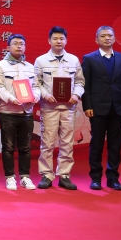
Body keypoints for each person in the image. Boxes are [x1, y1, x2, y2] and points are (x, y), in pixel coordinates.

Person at [82, 26, 121, 191]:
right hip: (97, 108)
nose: (107, 38)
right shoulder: (89, 58)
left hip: (118, 107)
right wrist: (87, 105)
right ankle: (95, 178)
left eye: (110, 35)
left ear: (114, 38)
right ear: (96, 39)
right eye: (103, 36)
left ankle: (113, 178)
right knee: (96, 144)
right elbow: (86, 85)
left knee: (115, 145)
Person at [34, 26, 85, 190]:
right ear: (49, 41)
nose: (58, 41)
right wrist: (45, 94)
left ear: (66, 41)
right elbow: (36, 83)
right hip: (49, 107)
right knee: (47, 142)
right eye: (55, 38)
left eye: (61, 38)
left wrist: (76, 94)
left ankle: (64, 175)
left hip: (68, 108)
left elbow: (80, 82)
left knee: (67, 142)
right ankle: (46, 175)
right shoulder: (41, 60)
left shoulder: (73, 60)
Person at [0, 34, 41, 191]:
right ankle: (10, 177)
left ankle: (25, 177)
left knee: (25, 147)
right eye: (15, 43)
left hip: (26, 112)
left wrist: (35, 96)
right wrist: (10, 99)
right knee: (8, 147)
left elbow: (36, 86)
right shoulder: (0, 66)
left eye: (22, 43)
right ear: (8, 47)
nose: (19, 46)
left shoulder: (30, 66)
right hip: (8, 112)